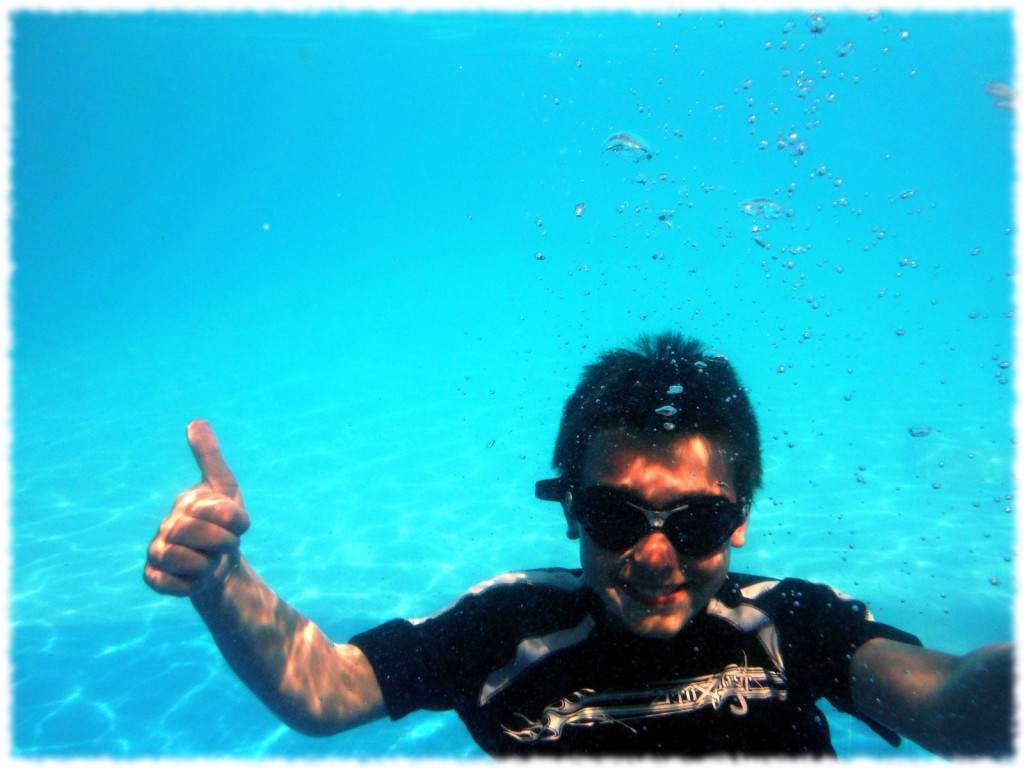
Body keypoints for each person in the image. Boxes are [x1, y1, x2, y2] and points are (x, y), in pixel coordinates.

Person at [143, 331, 1014, 757]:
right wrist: (223, 581)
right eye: (615, 517)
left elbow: (951, 708)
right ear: (569, 512)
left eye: (700, 522)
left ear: (742, 517)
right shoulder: (509, 623)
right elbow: (324, 692)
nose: (655, 559)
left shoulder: (790, 620)